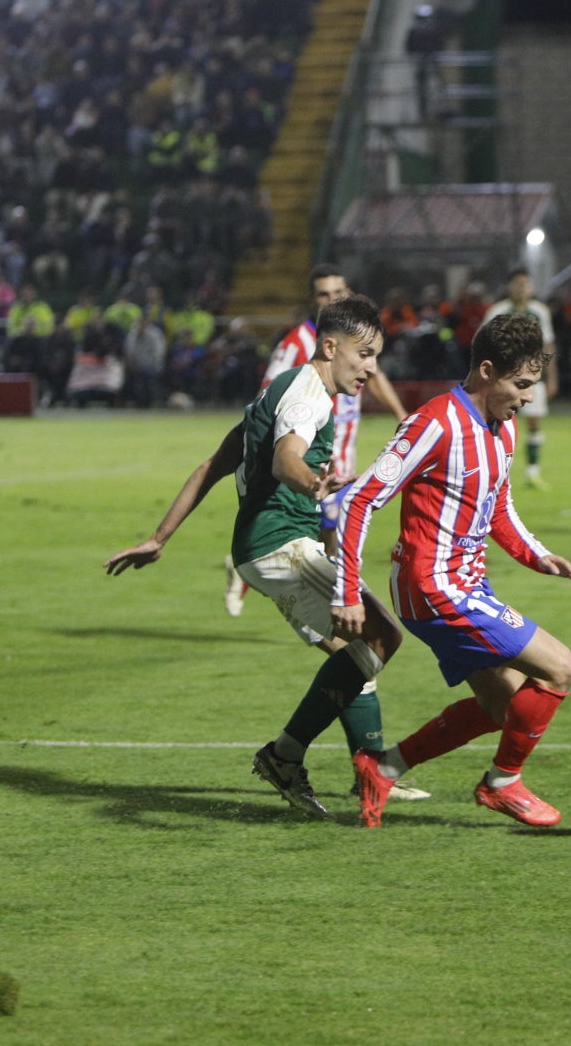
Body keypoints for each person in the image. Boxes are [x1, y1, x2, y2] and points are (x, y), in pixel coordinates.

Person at [106, 297, 403, 818]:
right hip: (281, 542)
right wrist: (315, 482)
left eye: (376, 356)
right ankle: (292, 755)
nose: (372, 368)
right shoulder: (309, 398)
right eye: (364, 354)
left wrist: (160, 537)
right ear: (331, 347)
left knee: (353, 653)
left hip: (261, 547)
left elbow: (212, 464)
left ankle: (361, 770)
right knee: (380, 636)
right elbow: (289, 456)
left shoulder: (279, 391)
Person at [337, 313, 571, 829]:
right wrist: (347, 592)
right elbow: (357, 501)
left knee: (506, 707)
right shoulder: (433, 423)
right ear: (487, 371)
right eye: (521, 385)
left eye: (533, 386)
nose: (528, 397)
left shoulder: (504, 427)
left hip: (462, 584)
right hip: (434, 586)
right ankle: (502, 783)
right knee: (560, 668)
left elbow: (499, 508)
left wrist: (538, 555)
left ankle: (383, 768)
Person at [228, 263, 409, 617]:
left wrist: (402, 418)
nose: (331, 299)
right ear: (313, 300)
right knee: (330, 539)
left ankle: (330, 606)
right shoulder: (297, 343)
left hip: (340, 455)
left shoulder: (354, 338)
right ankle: (339, 611)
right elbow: (270, 397)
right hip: (308, 461)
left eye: (338, 293)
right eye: (323, 294)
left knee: (329, 541)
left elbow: (376, 377)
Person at [480, 269, 557, 489]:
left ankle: (533, 472)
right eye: (517, 284)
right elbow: (484, 343)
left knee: (533, 423)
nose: (522, 288)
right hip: (504, 378)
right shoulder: (498, 311)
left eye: (525, 284)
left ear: (531, 287)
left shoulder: (539, 312)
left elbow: (548, 345)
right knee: (496, 423)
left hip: (532, 378)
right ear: (509, 287)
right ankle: (494, 472)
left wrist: (551, 378)